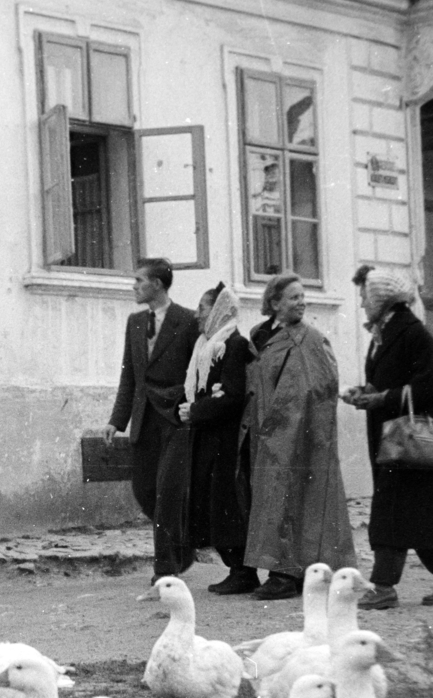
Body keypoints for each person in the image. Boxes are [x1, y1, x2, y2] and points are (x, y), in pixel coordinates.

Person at [341, 268, 433, 609]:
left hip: (408, 443)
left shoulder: (412, 333)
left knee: (391, 512)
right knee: (420, 517)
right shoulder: (387, 332)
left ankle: (383, 587)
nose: (362, 303)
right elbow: (392, 380)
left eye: (365, 296)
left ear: (380, 299)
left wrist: (381, 398)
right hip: (396, 441)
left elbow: (430, 386)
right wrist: (366, 392)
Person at [241, 272, 356, 600]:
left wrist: (284, 425)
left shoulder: (309, 339)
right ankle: (280, 570)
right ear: (274, 303)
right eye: (293, 297)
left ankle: (286, 574)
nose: (302, 302)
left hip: (295, 435)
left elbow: (319, 385)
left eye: (303, 296)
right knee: (273, 499)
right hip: (267, 434)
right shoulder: (263, 336)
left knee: (292, 499)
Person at [107, 257, 200, 581]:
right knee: (144, 491)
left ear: (157, 284)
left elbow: (198, 372)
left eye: (139, 280)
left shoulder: (188, 320)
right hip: (144, 419)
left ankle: (165, 567)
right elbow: (129, 377)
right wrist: (116, 421)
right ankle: (183, 543)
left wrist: (192, 410)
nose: (134, 286)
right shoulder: (134, 322)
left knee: (167, 492)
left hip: (175, 420)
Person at [176, 283, 256, 594]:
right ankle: (237, 569)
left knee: (228, 506)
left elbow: (234, 397)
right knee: (213, 506)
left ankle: (243, 571)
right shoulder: (205, 346)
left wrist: (196, 411)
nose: (197, 315)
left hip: (226, 442)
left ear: (219, 311)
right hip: (208, 439)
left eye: (202, 308)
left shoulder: (233, 345)